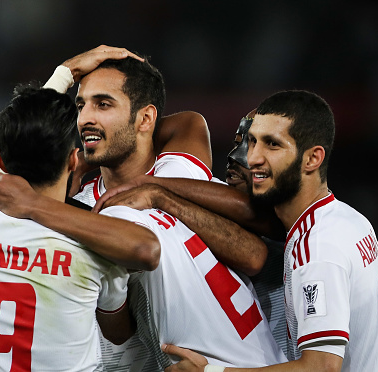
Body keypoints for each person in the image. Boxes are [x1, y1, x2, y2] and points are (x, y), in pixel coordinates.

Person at [0, 55, 286, 370]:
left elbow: (189, 121)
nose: (85, 118)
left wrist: (147, 186)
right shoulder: (76, 213)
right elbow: (117, 330)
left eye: (103, 105)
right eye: (81, 106)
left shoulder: (178, 173)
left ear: (145, 120)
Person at [161, 90, 378, 372]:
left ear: (312, 159)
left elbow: (321, 367)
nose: (254, 158)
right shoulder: (347, 219)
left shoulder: (318, 248)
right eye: (253, 142)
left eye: (272, 145)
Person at [0, 84, 161, 371]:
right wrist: (34, 205)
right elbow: (118, 332)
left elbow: (14, 142)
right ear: (74, 160)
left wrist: (63, 74)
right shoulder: (99, 250)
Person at [96, 110, 288, 354]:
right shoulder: (201, 197)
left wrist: (154, 187)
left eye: (258, 144)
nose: (233, 157)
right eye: (241, 144)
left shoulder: (313, 234)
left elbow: (261, 230)